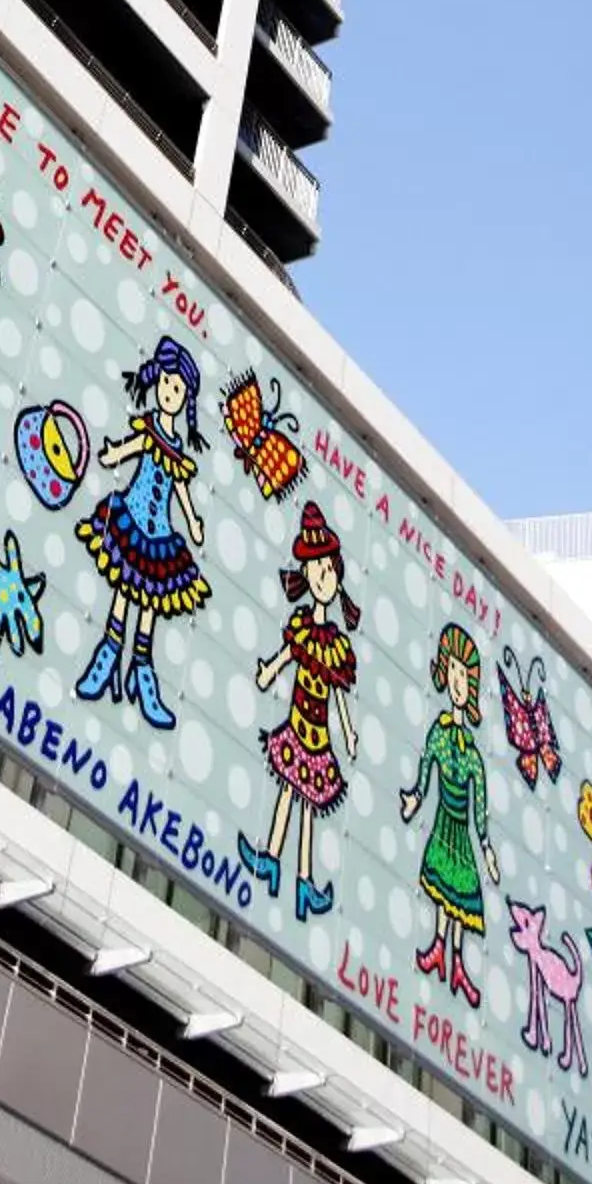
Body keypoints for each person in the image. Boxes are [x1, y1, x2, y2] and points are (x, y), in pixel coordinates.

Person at [73, 335, 210, 729]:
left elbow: (179, 485)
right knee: (123, 593)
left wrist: (194, 520)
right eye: (167, 384)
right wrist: (115, 454)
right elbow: (134, 446)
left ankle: (142, 672)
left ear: (186, 398)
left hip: (160, 534)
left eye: (178, 389)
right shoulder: (150, 429)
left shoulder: (177, 444)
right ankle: (109, 654)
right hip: (131, 519)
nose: (170, 393)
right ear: (158, 383)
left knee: (149, 604)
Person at [237, 501, 360, 923]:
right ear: (305, 576)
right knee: (289, 792)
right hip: (296, 725)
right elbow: (289, 652)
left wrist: (349, 731)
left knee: (307, 802)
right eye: (317, 571)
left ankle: (304, 880)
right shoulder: (303, 625)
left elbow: (340, 692)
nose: (324, 577)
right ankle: (270, 857)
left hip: (319, 737)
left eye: (329, 571)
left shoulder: (337, 645)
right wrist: (270, 670)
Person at [400, 622, 500, 1008]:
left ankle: (456, 961)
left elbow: (480, 809)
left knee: (459, 893)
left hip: (461, 830)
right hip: (442, 822)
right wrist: (413, 799)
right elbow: (425, 771)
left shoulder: (474, 752)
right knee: (443, 891)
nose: (458, 681)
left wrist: (488, 851)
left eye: (465, 675)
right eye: (454, 672)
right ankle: (438, 949)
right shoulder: (439, 734)